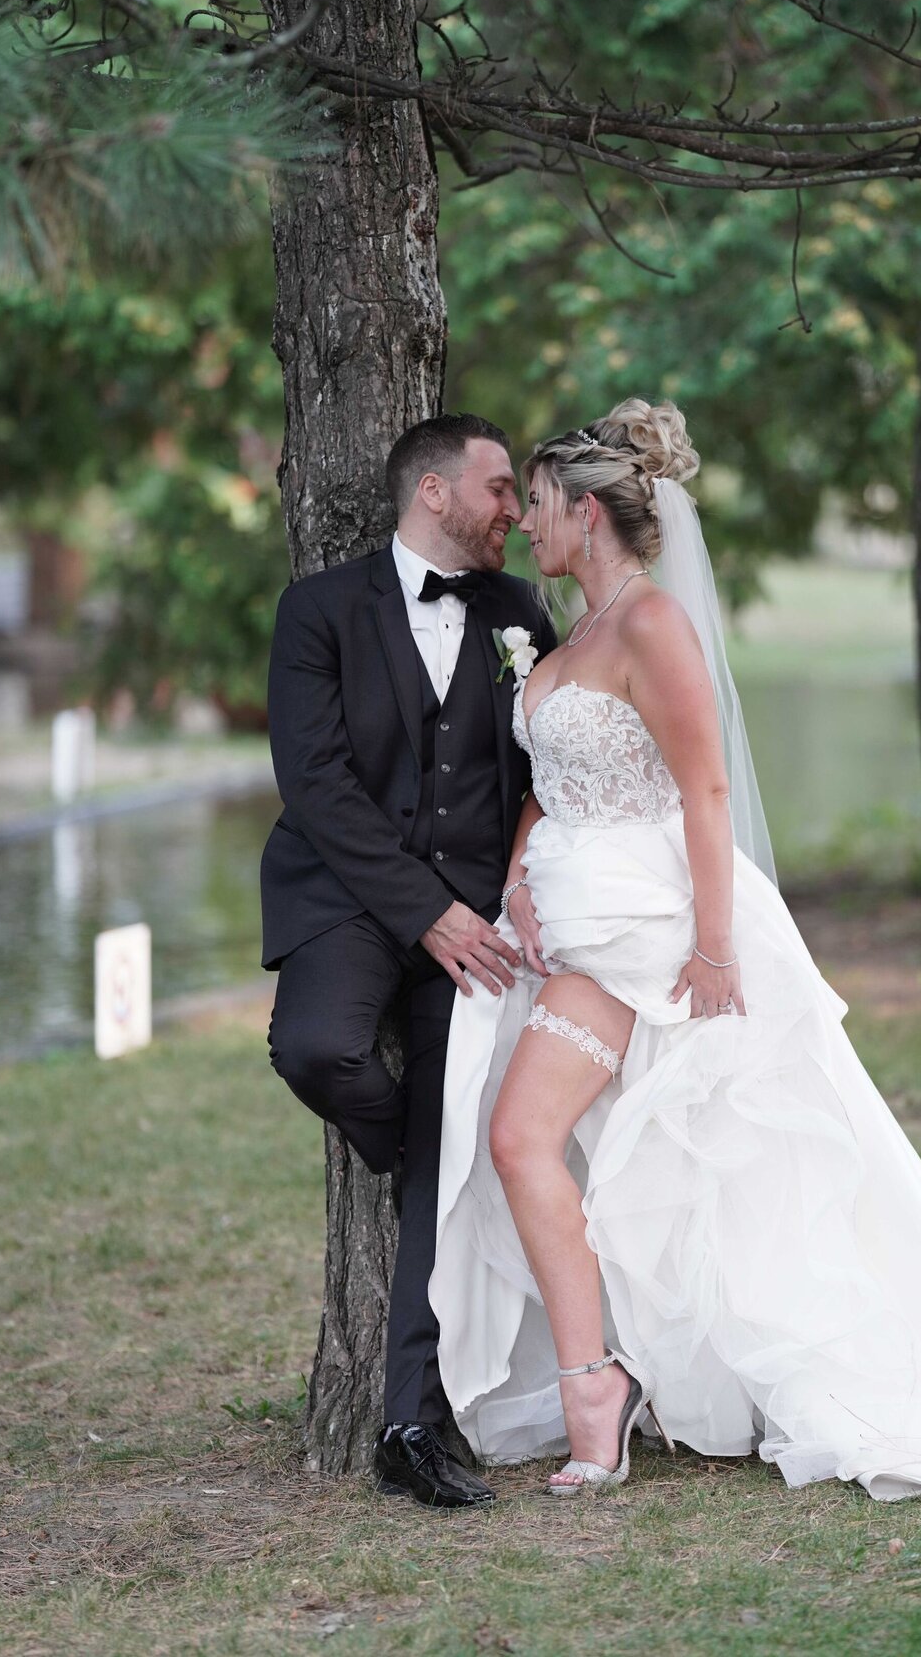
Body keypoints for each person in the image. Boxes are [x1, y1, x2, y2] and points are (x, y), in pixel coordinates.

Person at [429, 397, 921, 1507]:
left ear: (592, 513)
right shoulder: (569, 633)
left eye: (541, 503)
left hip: (640, 930)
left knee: (527, 1138)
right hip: (570, 920)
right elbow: (550, 787)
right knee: (614, 1161)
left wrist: (712, 949)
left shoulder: (650, 626)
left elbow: (702, 785)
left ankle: (595, 1387)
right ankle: (609, 1376)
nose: (527, 524)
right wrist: (514, 875)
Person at [261, 413, 555, 1510]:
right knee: (320, 1050)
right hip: (347, 899)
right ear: (432, 492)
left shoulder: (521, 616)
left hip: (478, 927)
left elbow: (545, 769)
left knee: (455, 1142)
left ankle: (410, 1426)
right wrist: (425, 909)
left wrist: (503, 896)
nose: (512, 513)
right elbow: (317, 783)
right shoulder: (319, 610)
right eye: (496, 489)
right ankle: (404, 1158)